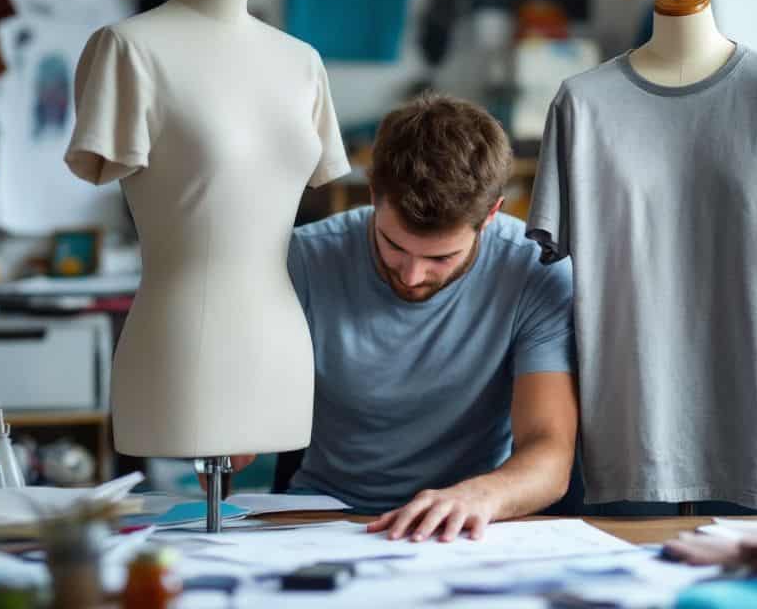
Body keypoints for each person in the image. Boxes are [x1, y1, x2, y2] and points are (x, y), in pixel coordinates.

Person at [210, 93, 577, 543]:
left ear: (492, 214)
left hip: (468, 522)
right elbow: (234, 418)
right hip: (328, 517)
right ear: (373, 193)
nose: (412, 274)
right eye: (394, 245)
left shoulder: (533, 270)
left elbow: (550, 451)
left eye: (441, 257)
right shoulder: (301, 261)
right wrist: (228, 431)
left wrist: (477, 497)